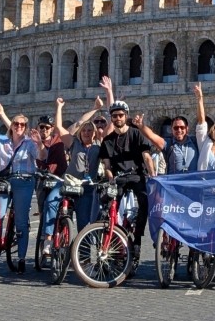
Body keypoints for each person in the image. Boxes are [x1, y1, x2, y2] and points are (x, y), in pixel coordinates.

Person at [0, 110, 45, 273]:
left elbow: (41, 156)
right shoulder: (4, 143)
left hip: (25, 181)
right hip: (6, 180)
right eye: (16, 124)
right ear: (11, 126)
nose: (19, 126)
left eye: (22, 124)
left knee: (20, 221)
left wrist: (40, 143)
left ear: (26, 127)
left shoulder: (30, 143)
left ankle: (21, 258)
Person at [98, 99, 155, 258]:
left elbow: (147, 157)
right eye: (114, 116)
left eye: (121, 115)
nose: (118, 118)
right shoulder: (107, 141)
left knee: (145, 202)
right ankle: (112, 233)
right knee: (109, 205)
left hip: (137, 175)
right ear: (111, 118)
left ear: (126, 116)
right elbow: (107, 167)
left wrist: (153, 176)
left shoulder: (137, 134)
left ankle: (137, 237)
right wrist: (110, 179)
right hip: (119, 178)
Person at [57, 97, 105, 231]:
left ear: (94, 133)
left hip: (88, 187)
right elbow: (59, 127)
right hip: (71, 183)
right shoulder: (74, 143)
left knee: (84, 222)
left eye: (90, 130)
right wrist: (59, 108)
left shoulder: (98, 145)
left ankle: (82, 249)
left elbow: (111, 127)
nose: (86, 132)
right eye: (84, 130)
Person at [135, 85, 201, 174]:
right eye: (176, 128)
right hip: (175, 185)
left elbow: (202, 123)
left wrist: (200, 98)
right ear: (172, 129)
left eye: (182, 127)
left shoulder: (195, 141)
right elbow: (152, 136)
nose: (179, 130)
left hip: (193, 184)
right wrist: (141, 126)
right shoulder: (169, 144)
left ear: (187, 128)